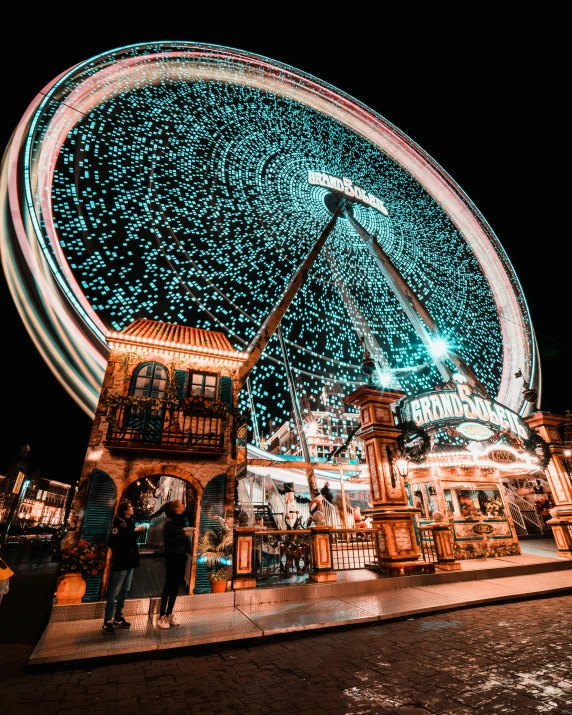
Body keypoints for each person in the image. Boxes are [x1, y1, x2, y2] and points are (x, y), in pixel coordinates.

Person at [102, 501, 140, 635]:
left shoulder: (131, 522)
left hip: (130, 561)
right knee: (114, 592)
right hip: (121, 562)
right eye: (130, 507)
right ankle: (107, 621)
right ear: (124, 510)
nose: (132, 508)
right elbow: (113, 542)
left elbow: (130, 539)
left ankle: (118, 617)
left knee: (125, 590)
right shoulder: (118, 524)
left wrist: (135, 533)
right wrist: (131, 534)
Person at [157, 500, 193, 629]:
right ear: (177, 508)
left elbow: (184, 539)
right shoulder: (169, 524)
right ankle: (162, 615)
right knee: (169, 584)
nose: (184, 506)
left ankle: (170, 613)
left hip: (181, 556)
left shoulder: (183, 521)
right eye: (181, 505)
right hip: (172, 556)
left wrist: (189, 550)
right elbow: (169, 541)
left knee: (176, 585)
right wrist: (184, 533)